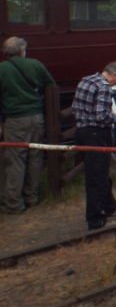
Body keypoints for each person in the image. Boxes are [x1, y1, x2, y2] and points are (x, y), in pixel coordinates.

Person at [71, 62, 116, 230]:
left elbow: (78, 108)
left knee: (98, 172)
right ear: (115, 75)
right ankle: (95, 218)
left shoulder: (87, 80)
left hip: (82, 131)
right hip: (96, 133)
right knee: (97, 175)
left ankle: (109, 206)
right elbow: (101, 115)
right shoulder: (104, 87)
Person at [0, 37, 55, 214]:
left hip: (15, 120)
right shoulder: (35, 65)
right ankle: (32, 198)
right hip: (37, 117)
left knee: (15, 160)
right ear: (22, 50)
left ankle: (14, 204)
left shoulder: (2, 69)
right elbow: (51, 86)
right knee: (35, 157)